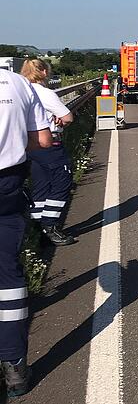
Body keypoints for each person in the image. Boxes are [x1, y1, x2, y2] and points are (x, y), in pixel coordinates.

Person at [0, 67, 52, 397]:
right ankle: (14, 364)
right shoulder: (16, 83)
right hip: (6, 186)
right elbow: (42, 140)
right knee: (7, 277)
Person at [20, 59, 77, 246]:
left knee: (41, 184)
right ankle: (50, 225)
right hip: (48, 142)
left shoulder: (22, 90)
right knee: (63, 180)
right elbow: (67, 117)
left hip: (27, 144)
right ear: (44, 72)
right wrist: (59, 119)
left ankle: (38, 227)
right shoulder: (44, 93)